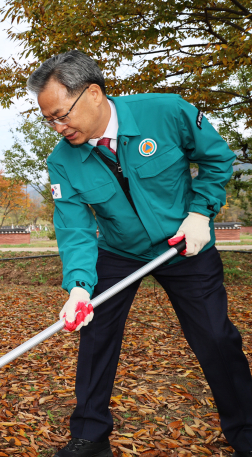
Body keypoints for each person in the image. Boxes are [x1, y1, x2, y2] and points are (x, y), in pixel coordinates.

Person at [28, 50, 252, 457]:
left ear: (93, 94)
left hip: (185, 243)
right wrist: (79, 286)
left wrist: (201, 213)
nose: (57, 127)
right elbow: (75, 228)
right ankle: (91, 436)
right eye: (49, 119)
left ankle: (247, 430)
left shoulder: (165, 112)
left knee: (217, 337)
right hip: (118, 251)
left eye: (62, 114)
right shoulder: (61, 161)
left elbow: (218, 159)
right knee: (95, 336)